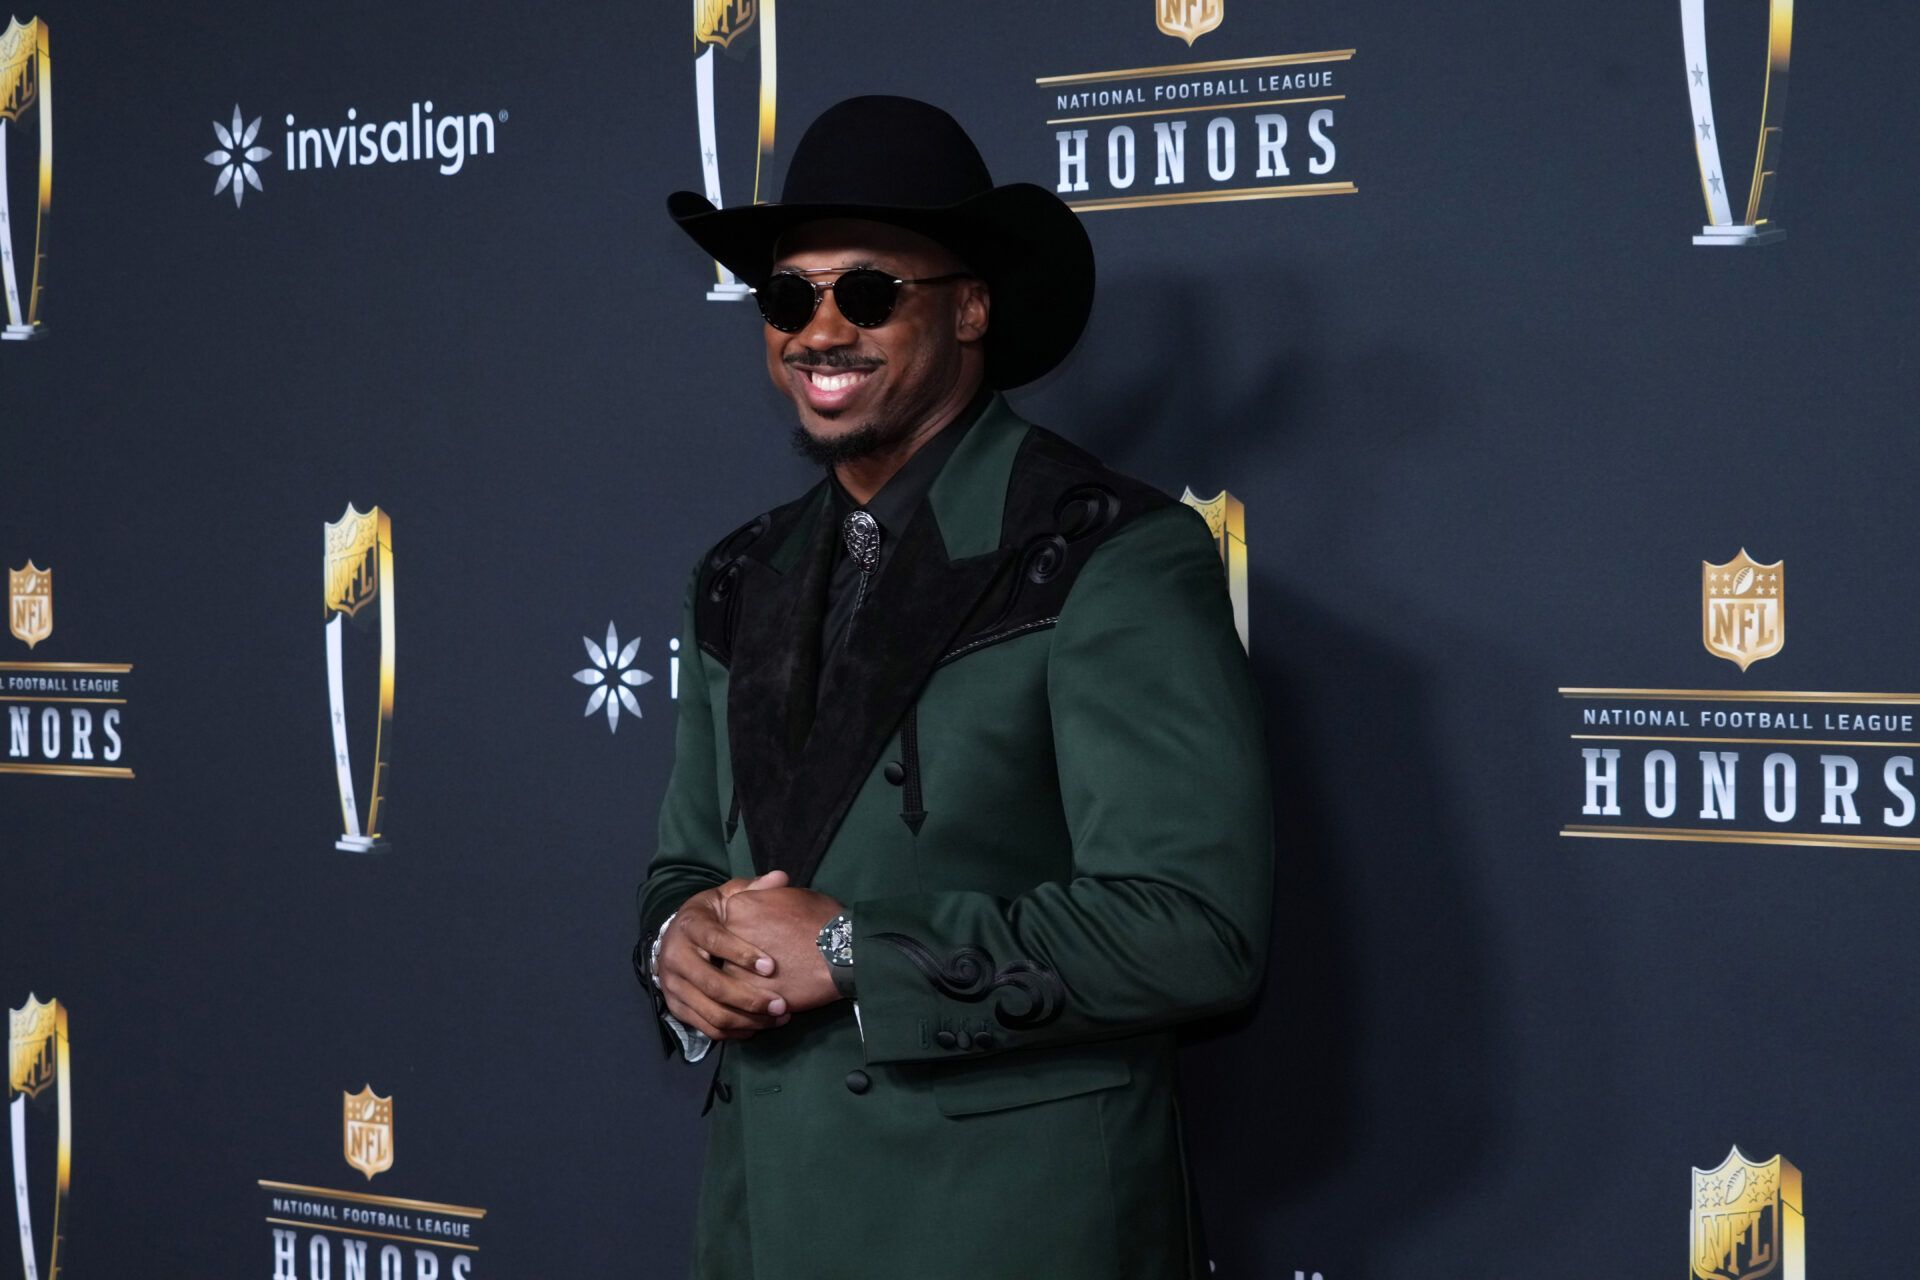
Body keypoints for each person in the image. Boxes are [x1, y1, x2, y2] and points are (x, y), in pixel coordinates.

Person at [636, 95, 1273, 1279]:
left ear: (972, 306)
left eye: (868, 292)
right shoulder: (734, 576)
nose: (820, 330)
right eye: (788, 298)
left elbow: (1195, 928)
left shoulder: (1106, 554)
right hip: (766, 1222)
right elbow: (688, 864)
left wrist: (856, 949)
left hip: (1011, 1227)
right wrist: (675, 942)